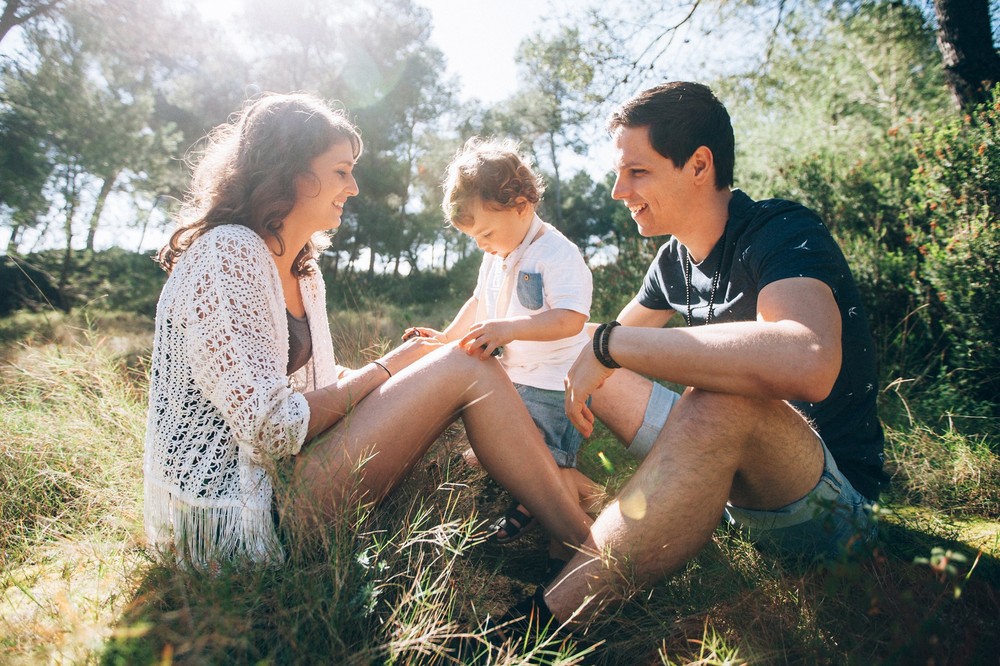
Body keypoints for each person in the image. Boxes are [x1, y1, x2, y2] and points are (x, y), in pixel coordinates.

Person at [142, 93, 593, 569]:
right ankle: (588, 549)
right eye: (341, 171)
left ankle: (569, 522)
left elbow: (312, 388)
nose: (353, 187)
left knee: (453, 368)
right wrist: (388, 368)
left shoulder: (303, 272)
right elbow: (273, 427)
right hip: (239, 516)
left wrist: (410, 377)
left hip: (285, 482)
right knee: (463, 364)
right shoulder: (228, 253)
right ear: (293, 172)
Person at [502, 81, 887, 632]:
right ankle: (550, 480)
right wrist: (585, 352)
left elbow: (808, 359)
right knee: (576, 341)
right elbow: (594, 342)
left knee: (715, 399)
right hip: (730, 482)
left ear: (699, 165)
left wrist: (609, 346)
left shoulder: (780, 231)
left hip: (828, 501)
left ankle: (543, 623)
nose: (618, 190)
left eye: (637, 172)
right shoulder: (672, 262)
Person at [405, 137, 602, 564]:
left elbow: (570, 318)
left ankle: (572, 543)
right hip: (514, 383)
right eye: (474, 237)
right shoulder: (497, 254)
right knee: (507, 460)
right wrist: (445, 338)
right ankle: (538, 511)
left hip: (553, 388)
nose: (482, 244)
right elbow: (478, 303)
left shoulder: (557, 253)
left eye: (487, 232)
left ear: (521, 204)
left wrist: (509, 329)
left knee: (544, 472)